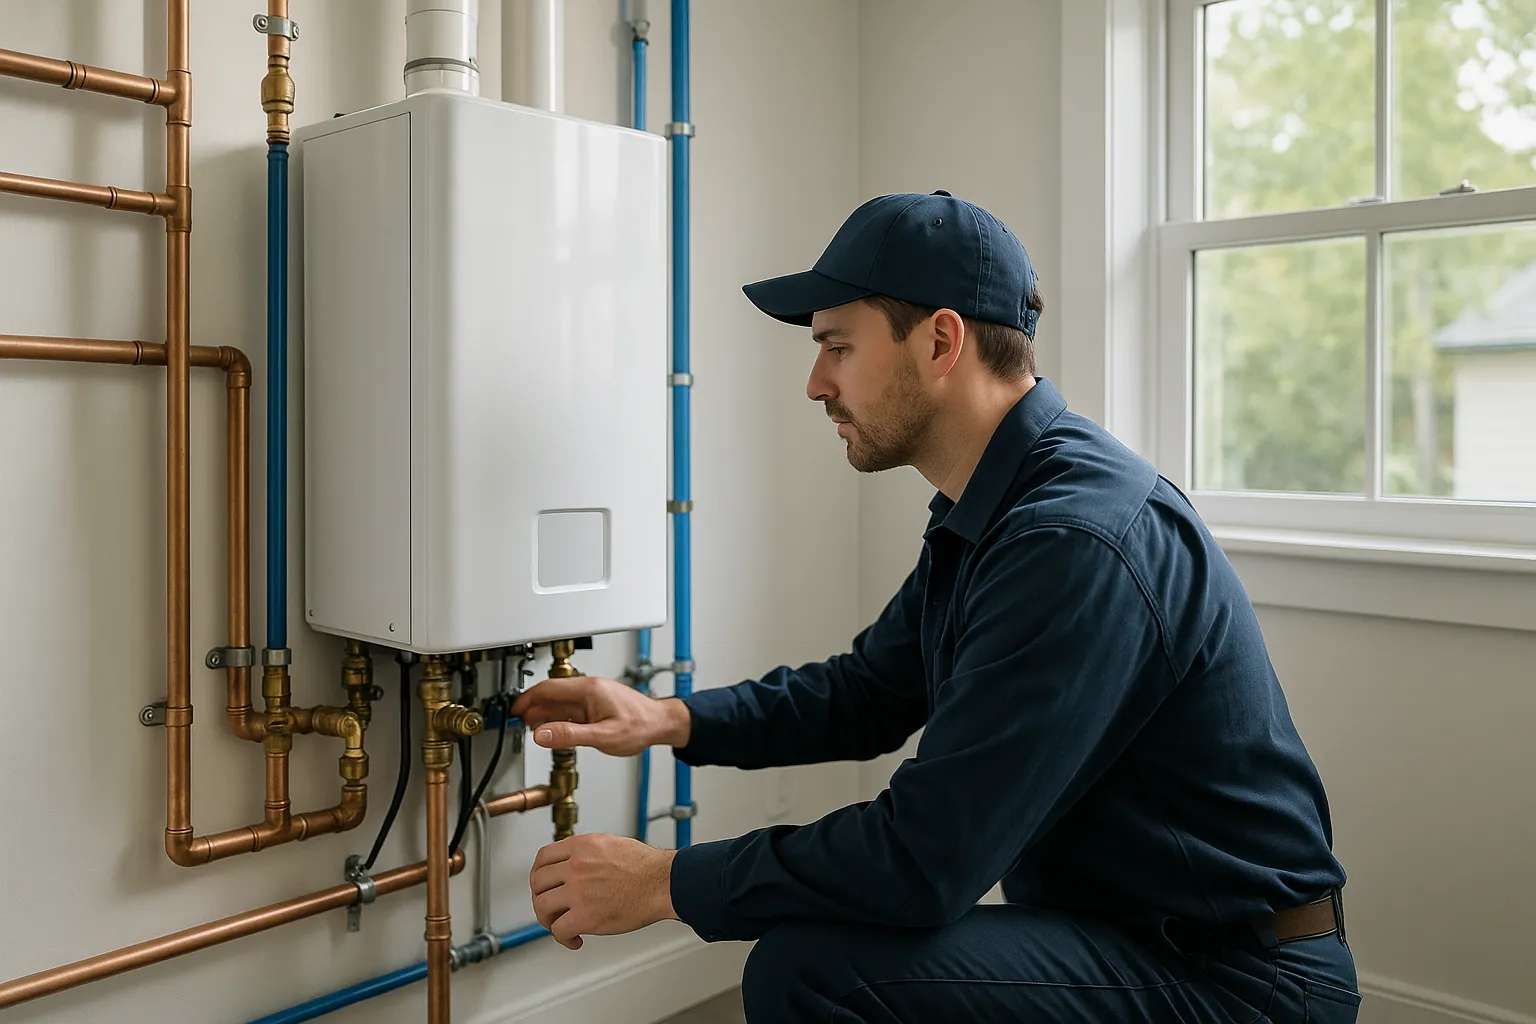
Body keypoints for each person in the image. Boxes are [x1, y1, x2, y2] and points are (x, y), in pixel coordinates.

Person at [510, 191, 1360, 1023]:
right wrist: (665, 718)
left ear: (941, 341)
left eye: (838, 347)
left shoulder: (1072, 538)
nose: (815, 383)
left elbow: (924, 859)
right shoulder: (995, 509)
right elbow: (868, 693)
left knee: (815, 972)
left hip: (1239, 980)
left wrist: (664, 882)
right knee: (820, 956)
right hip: (1131, 933)